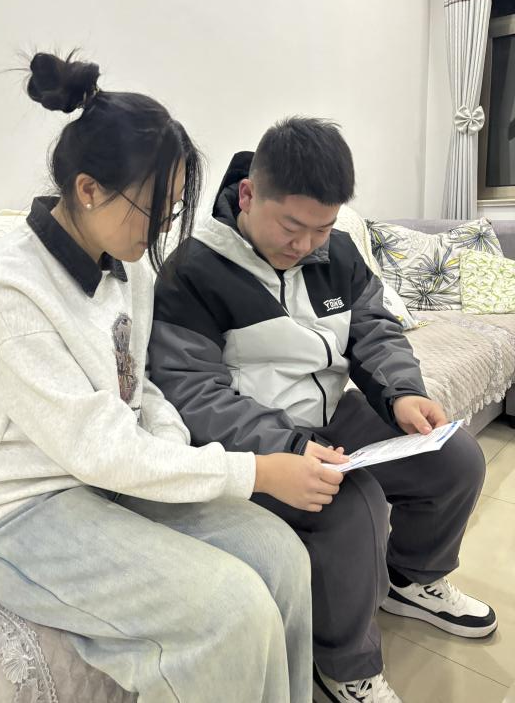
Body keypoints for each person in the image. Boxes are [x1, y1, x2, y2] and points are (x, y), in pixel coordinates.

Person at [0, 56, 325, 703]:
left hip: (103, 477)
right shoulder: (8, 286)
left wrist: (175, 458)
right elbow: (97, 447)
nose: (165, 228)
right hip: (16, 509)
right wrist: (251, 471)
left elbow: (138, 388)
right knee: (228, 609)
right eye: (157, 210)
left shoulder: (128, 266)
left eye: (173, 209)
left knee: (281, 556)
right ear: (88, 189)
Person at [148, 117, 497, 703]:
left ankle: (412, 579)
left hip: (335, 412)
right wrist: (288, 448)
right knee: (351, 504)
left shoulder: (336, 251)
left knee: (454, 459)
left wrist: (403, 391)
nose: (306, 244)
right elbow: (193, 392)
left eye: (323, 228)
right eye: (292, 227)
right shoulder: (193, 271)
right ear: (248, 195)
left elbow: (374, 328)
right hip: (258, 439)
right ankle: (343, 664)